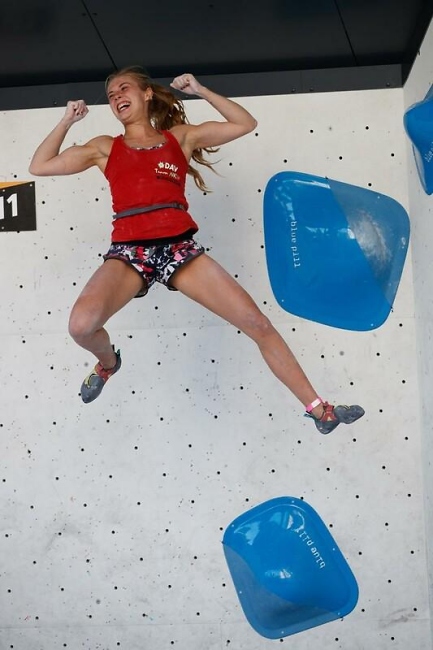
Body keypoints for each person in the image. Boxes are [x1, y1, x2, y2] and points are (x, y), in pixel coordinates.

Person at [29, 66, 364, 434]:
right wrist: (66, 121)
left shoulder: (180, 139)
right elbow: (39, 165)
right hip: (129, 251)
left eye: (124, 89)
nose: (116, 97)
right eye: (110, 95)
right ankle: (108, 363)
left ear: (146, 95)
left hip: (178, 248)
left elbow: (244, 122)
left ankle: (320, 409)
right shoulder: (105, 147)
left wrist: (201, 90)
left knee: (258, 324)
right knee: (81, 326)